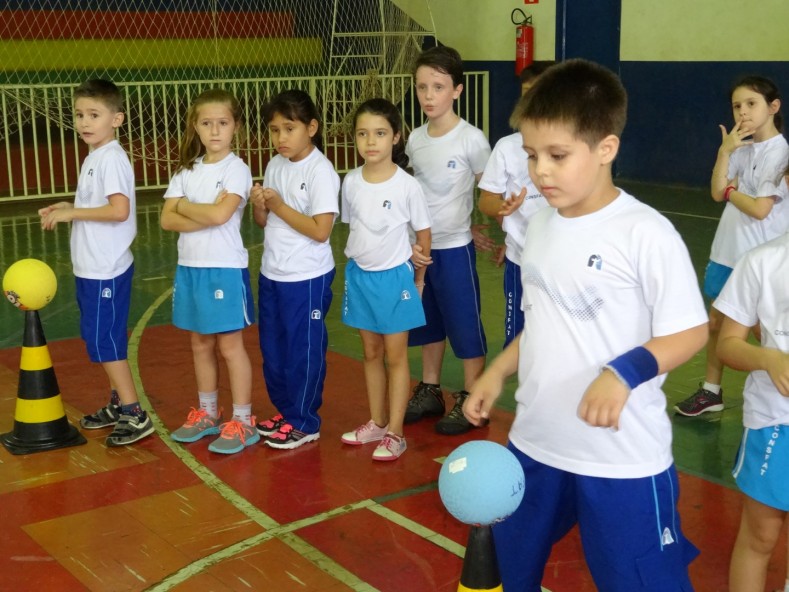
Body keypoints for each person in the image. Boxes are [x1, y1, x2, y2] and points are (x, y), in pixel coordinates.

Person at [464, 59, 709, 591]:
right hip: (536, 442)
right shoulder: (543, 225)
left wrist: (623, 372)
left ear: (605, 149)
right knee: (505, 569)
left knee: (639, 580)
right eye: (531, 155)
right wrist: (497, 372)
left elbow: (691, 331)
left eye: (557, 155)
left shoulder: (646, 233)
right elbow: (543, 321)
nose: (539, 171)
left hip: (621, 457)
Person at [39, 79, 154, 447]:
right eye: (79, 115)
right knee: (99, 339)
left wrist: (73, 212)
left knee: (108, 343)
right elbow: (95, 207)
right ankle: (118, 403)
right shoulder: (95, 157)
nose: (85, 122)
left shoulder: (112, 159)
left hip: (107, 268)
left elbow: (119, 211)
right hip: (89, 267)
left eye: (94, 114)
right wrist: (66, 206)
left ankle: (135, 414)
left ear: (116, 118)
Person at [675, 75, 789, 417]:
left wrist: (729, 191)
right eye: (737, 106)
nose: (743, 112)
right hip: (728, 251)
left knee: (758, 328)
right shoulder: (743, 146)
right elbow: (715, 189)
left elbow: (759, 209)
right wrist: (725, 151)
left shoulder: (779, 152)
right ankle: (712, 391)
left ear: (773, 107)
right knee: (717, 324)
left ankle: (769, 376)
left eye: (751, 104)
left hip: (756, 256)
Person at [160, 88, 257, 455]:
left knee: (230, 347)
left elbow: (221, 216)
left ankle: (243, 421)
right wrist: (192, 208)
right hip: (190, 268)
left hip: (224, 269)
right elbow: (167, 220)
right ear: (195, 128)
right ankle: (208, 413)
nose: (215, 131)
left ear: (235, 127)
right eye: (206, 123)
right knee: (199, 342)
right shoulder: (187, 171)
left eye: (222, 123)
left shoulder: (237, 169)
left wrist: (186, 208)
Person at [403, 45, 492, 436]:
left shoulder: (471, 139)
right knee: (428, 322)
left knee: (464, 323)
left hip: (455, 248)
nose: (428, 96)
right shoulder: (414, 139)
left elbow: (486, 189)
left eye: (438, 87)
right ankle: (431, 388)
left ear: (456, 90)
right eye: (422, 87)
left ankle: (474, 396)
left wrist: (476, 225)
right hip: (419, 250)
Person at [339, 98, 432, 461]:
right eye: (362, 134)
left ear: (396, 137)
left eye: (379, 133)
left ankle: (396, 432)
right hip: (360, 278)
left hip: (395, 281)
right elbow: (357, 228)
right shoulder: (350, 182)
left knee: (395, 357)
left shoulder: (407, 186)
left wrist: (418, 280)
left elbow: (423, 236)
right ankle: (377, 422)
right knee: (370, 352)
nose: (370, 141)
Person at [251, 89, 339, 450]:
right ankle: (287, 412)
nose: (280, 138)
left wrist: (279, 205)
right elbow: (264, 221)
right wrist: (259, 204)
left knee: (303, 350)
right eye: (274, 130)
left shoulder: (321, 171)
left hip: (307, 277)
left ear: (312, 127)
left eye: (289, 128)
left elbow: (321, 231)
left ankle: (306, 420)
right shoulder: (275, 164)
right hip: (273, 272)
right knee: (274, 350)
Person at [715, 167, 789, 592]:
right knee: (760, 535)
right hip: (775, 421)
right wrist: (768, 359)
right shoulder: (762, 261)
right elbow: (727, 345)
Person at [477, 62, 551, 348]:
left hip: (557, 264)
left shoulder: (572, 146)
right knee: (517, 344)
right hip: (519, 261)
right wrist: (504, 209)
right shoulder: (507, 147)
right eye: (525, 93)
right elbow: (487, 201)